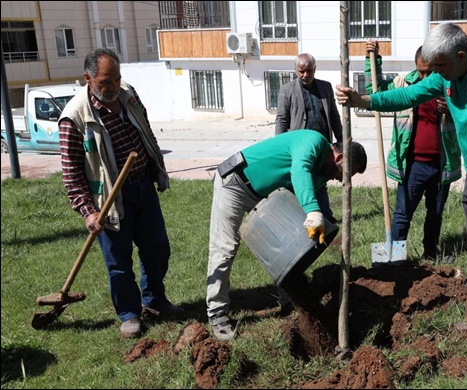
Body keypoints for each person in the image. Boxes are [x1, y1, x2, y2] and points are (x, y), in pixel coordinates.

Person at [335, 20, 467, 347]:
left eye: (440, 65)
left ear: (464, 56)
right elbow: (407, 95)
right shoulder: (444, 78)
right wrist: (363, 101)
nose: (434, 72)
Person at [59, 48, 183, 339]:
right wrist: (87, 211)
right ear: (87, 78)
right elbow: (70, 172)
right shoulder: (74, 117)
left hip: (143, 185)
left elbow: (146, 129)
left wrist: (156, 166)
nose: (114, 87)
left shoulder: (128, 93)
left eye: (117, 78)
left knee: (158, 249)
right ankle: (129, 314)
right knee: (118, 261)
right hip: (109, 200)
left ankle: (154, 299)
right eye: (105, 81)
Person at [206, 130, 367, 341]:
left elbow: (305, 200)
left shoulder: (322, 174)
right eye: (345, 173)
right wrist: (312, 211)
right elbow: (299, 171)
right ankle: (217, 314)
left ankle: (288, 300)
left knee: (286, 245)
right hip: (235, 183)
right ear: (339, 157)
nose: (340, 179)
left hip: (266, 196)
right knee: (225, 248)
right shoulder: (313, 142)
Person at [364, 39, 462, 263]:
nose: (425, 78)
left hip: (441, 163)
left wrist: (453, 109)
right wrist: (373, 60)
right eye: (421, 72)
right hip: (412, 164)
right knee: (402, 215)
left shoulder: (449, 85)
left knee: (435, 214)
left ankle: (430, 254)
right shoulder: (404, 83)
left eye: (430, 72)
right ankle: (396, 258)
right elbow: (374, 90)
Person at [275, 53, 343, 224]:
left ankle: (326, 215)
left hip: (322, 148)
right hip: (299, 149)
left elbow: (334, 116)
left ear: (315, 69)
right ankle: (299, 217)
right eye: (301, 71)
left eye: (309, 71)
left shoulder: (325, 88)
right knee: (300, 181)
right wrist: (279, 145)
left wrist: (342, 141)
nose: (305, 75)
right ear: (296, 71)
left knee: (319, 181)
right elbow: (282, 119)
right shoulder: (287, 90)